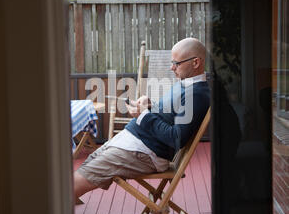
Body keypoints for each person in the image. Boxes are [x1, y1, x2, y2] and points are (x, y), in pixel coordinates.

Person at [74, 37, 210, 204]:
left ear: (195, 63)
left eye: (177, 63)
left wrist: (144, 115)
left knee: (75, 182)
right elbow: (170, 114)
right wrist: (149, 105)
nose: (171, 67)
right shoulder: (184, 84)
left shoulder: (197, 95)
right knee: (86, 166)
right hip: (133, 142)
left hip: (145, 152)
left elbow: (176, 137)